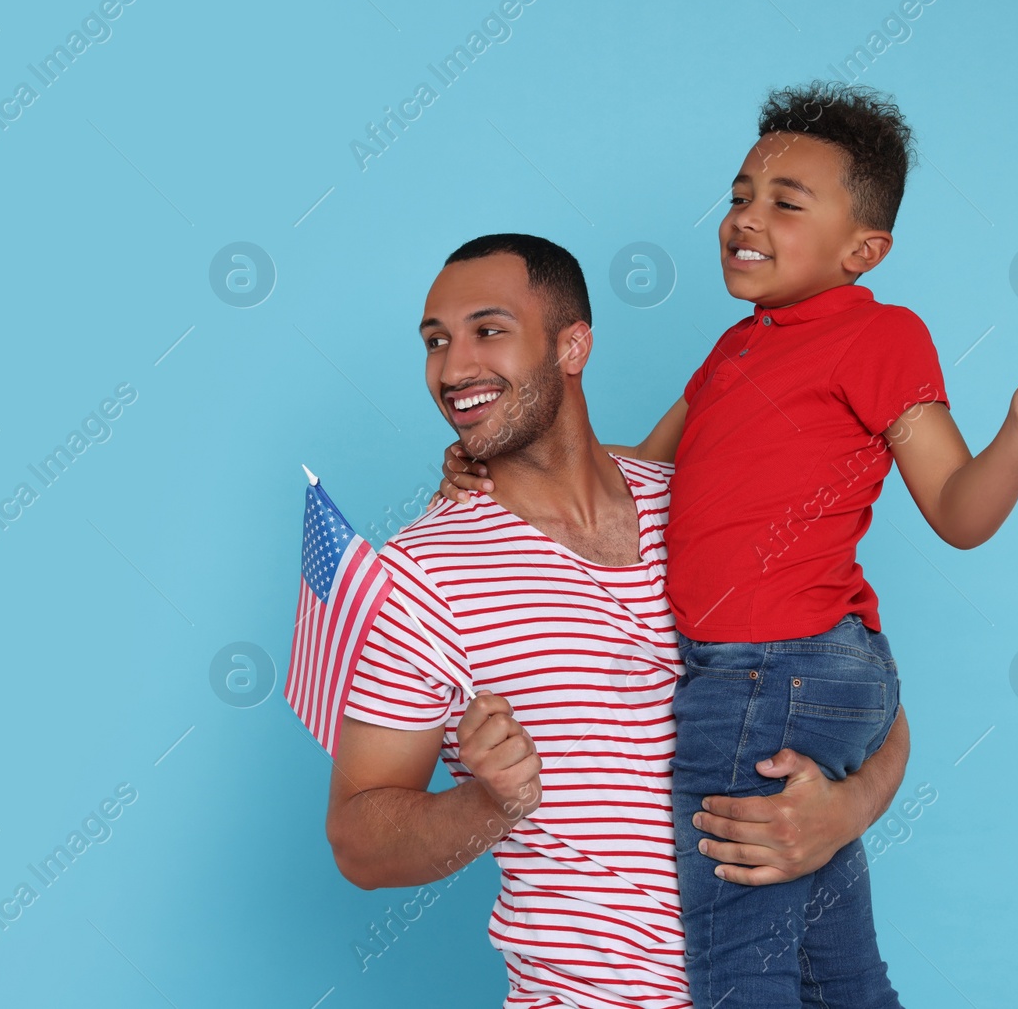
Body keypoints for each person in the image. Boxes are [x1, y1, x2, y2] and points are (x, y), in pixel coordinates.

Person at [439, 86, 1018, 1007]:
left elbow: (957, 508)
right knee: (829, 954)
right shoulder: (732, 351)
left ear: (862, 251)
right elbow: (625, 466)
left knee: (733, 953)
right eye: (741, 193)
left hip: (772, 670)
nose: (746, 217)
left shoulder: (880, 333)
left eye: (787, 203)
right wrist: (497, 455)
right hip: (785, 672)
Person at [328, 233, 912, 1009]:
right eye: (436, 342)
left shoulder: (706, 503)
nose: (454, 366)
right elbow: (360, 841)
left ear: (574, 345)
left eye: (488, 330)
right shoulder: (417, 576)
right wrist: (487, 803)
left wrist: (845, 810)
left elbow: (865, 698)